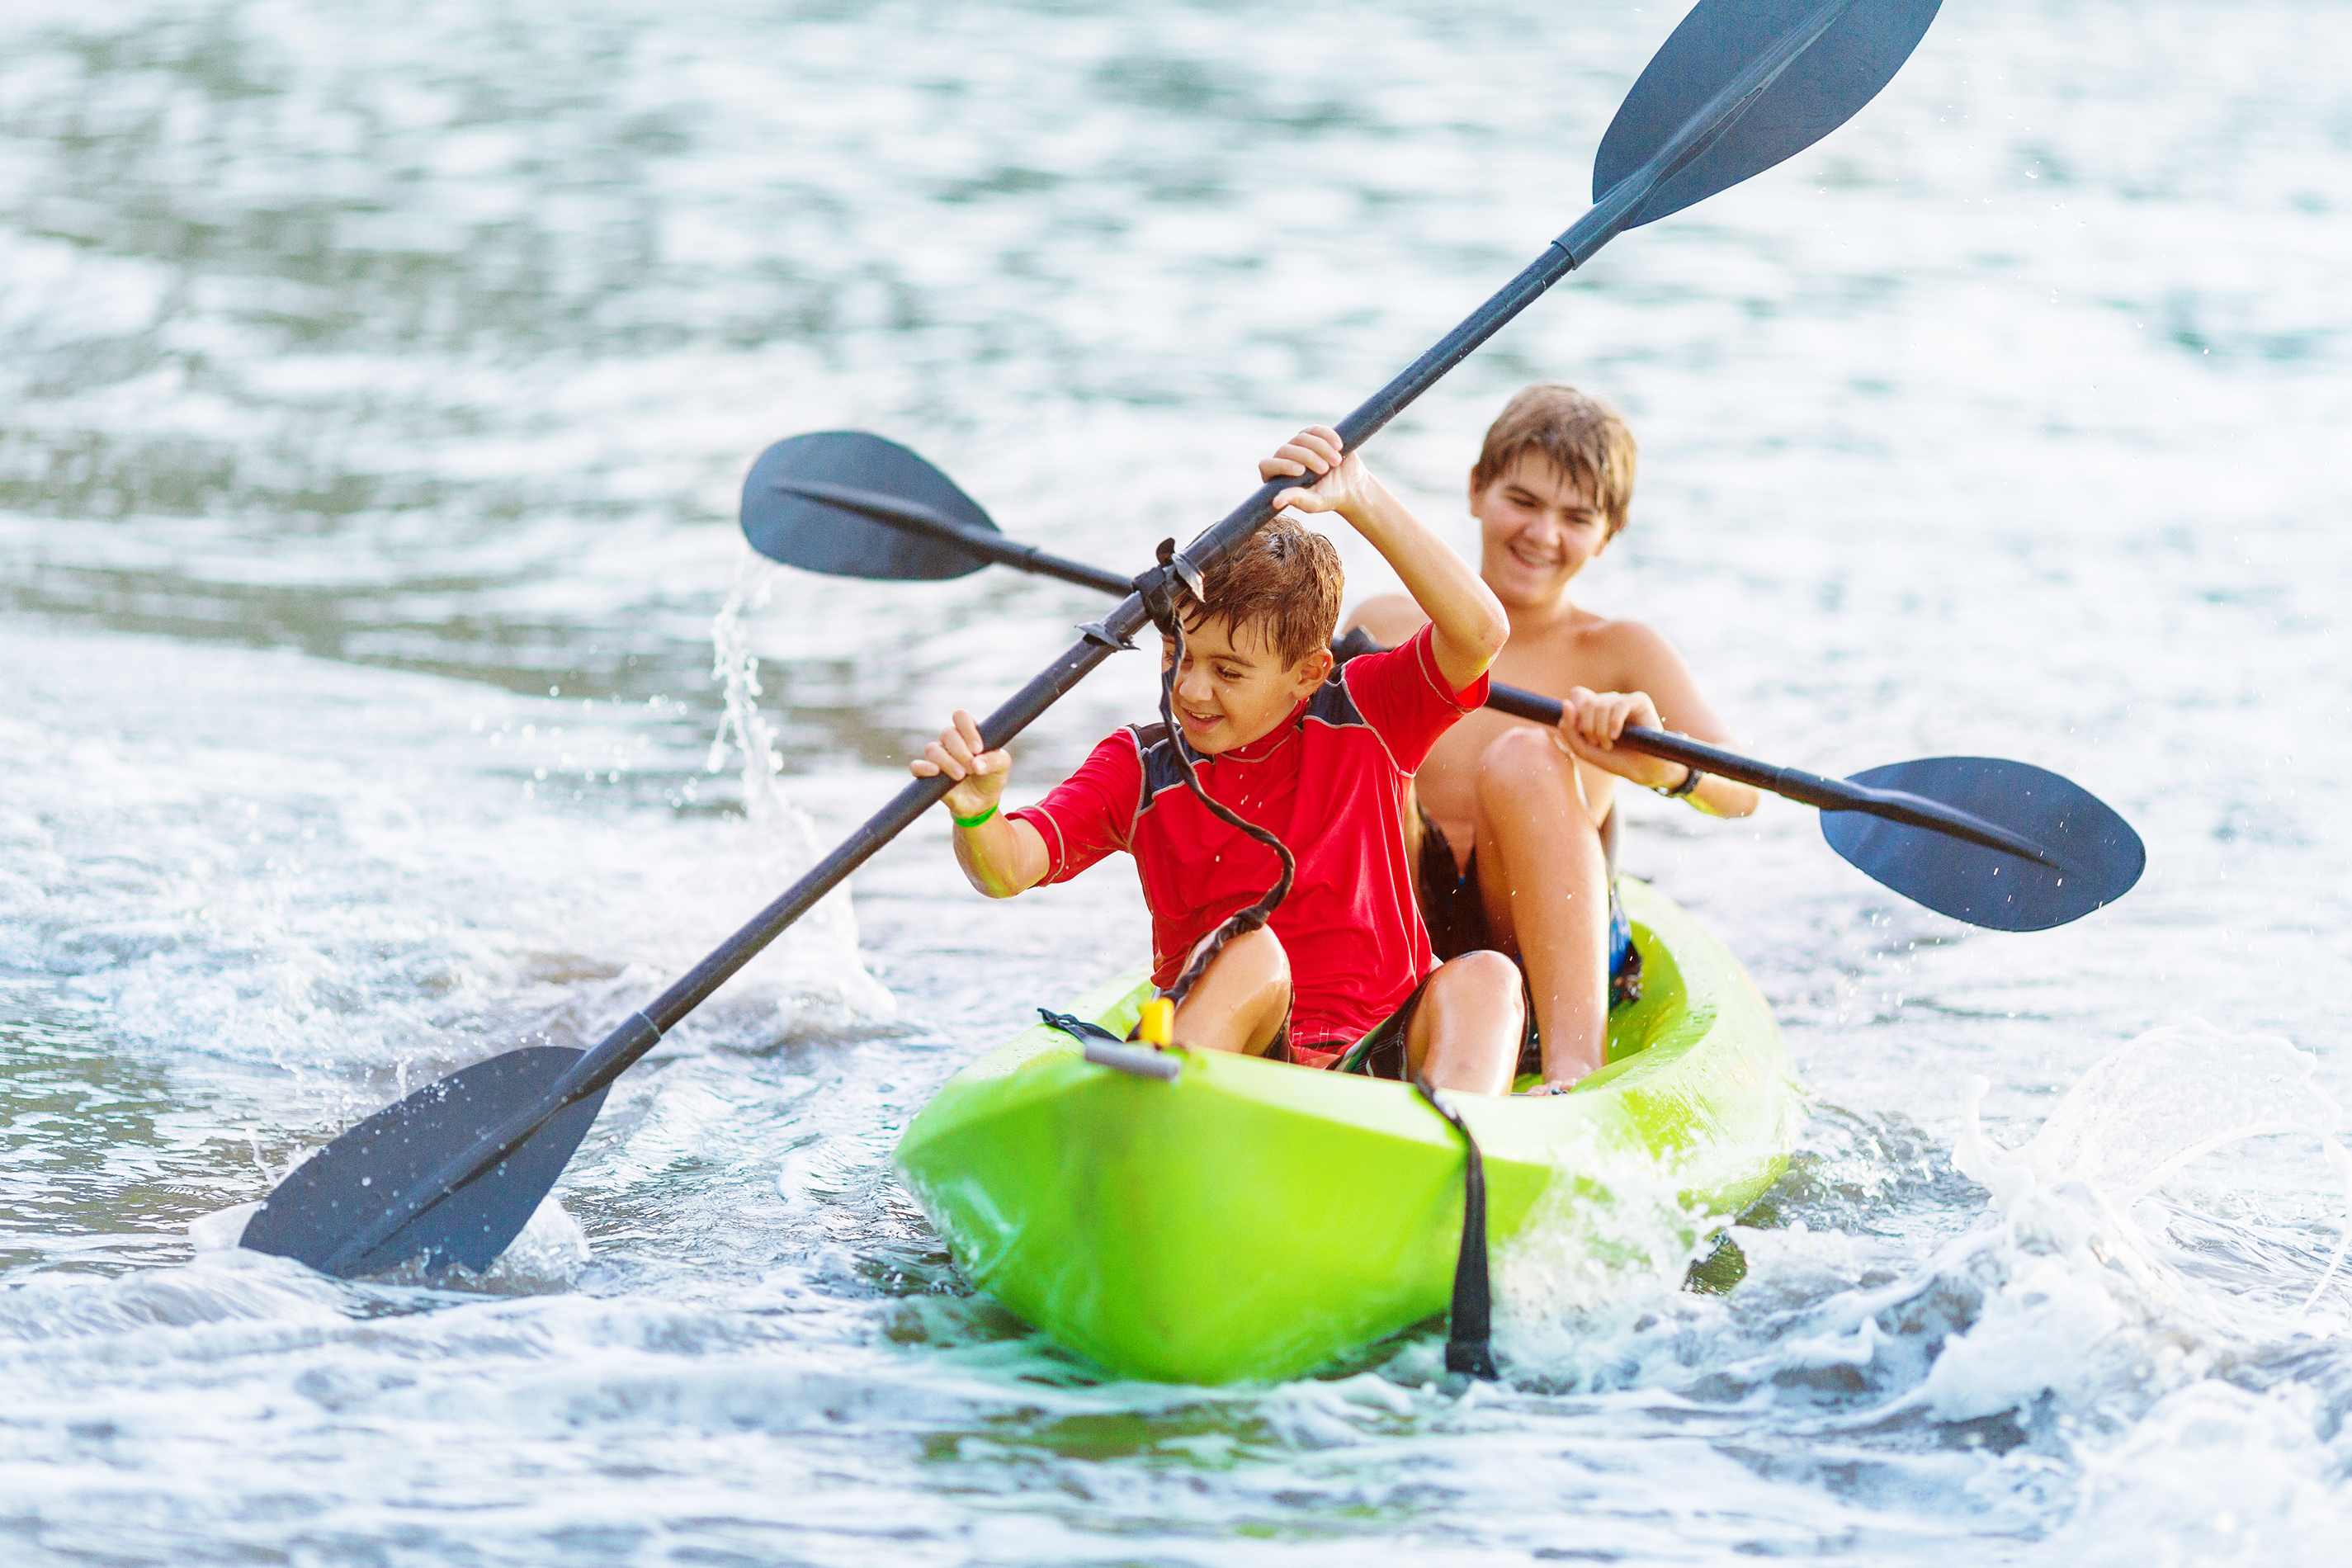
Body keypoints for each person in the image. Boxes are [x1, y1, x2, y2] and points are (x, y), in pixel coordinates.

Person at [911, 426, 1528, 1094]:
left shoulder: (1370, 711)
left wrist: (1362, 498)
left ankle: (1461, 1144)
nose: (1191, 690)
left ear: (1307, 673)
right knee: (1252, 951)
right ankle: (1161, 1126)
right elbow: (1009, 867)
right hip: (1237, 1066)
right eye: (1181, 654)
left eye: (1229, 672)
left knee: (1488, 976)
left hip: (1383, 1050)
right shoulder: (1140, 767)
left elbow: (1481, 632)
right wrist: (978, 815)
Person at [1343, 385, 1759, 1092]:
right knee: (1362, 745)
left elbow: (1743, 792)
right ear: (1477, 490)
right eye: (1524, 501)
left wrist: (1663, 768)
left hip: (1538, 945)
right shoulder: (1385, 624)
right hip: (1395, 928)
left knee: (1526, 755)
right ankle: (1338, 1016)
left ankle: (1572, 1068)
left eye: (1576, 517)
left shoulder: (1622, 650)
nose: (1542, 535)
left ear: (1608, 534)